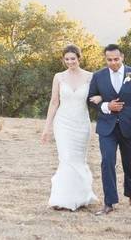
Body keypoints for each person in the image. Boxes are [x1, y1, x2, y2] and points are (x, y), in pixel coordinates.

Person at [87, 44, 131, 215]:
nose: (113, 62)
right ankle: (109, 203)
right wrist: (107, 105)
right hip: (107, 127)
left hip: (129, 126)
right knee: (107, 162)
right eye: (109, 60)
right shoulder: (98, 76)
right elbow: (90, 101)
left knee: (129, 162)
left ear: (122, 57)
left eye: (116, 59)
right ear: (105, 59)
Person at [40, 45, 98, 211]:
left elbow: (98, 95)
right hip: (63, 123)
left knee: (78, 159)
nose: (70, 62)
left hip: (81, 123)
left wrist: (100, 97)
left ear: (79, 58)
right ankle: (62, 199)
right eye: (67, 59)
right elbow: (54, 102)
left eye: (73, 58)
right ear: (63, 60)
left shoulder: (90, 77)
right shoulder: (59, 77)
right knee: (66, 157)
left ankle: (80, 197)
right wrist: (47, 128)